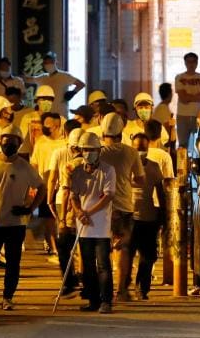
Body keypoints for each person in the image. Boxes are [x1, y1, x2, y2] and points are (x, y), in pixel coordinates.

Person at [0, 127, 46, 311]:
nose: (8, 145)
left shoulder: (25, 167)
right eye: (5, 141)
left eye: (12, 142)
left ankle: (7, 297)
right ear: (0, 142)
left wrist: (29, 208)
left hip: (16, 223)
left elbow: (41, 187)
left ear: (19, 144)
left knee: (13, 262)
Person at [98, 112, 145, 302]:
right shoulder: (130, 152)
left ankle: (103, 291)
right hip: (124, 206)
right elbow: (140, 179)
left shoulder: (98, 153)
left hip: (101, 207)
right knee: (123, 249)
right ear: (122, 130)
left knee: (102, 249)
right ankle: (121, 291)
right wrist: (126, 182)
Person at [69, 132, 117, 313]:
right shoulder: (77, 172)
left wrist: (88, 212)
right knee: (88, 266)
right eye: (85, 149)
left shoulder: (108, 170)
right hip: (84, 226)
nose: (89, 153)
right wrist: (78, 212)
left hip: (101, 226)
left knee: (103, 265)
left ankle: (106, 301)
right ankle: (93, 300)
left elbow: (108, 196)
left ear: (99, 150)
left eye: (92, 149)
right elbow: (73, 196)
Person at [123, 133, 167, 300]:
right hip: (129, 217)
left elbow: (160, 192)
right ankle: (123, 287)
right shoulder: (125, 166)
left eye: (143, 147)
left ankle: (142, 288)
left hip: (149, 217)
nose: (140, 151)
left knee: (148, 256)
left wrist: (163, 213)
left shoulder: (154, 167)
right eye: (137, 148)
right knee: (127, 254)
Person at [49, 123, 84, 298]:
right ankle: (88, 284)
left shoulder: (70, 166)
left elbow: (65, 192)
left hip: (71, 210)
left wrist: (62, 219)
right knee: (88, 248)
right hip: (92, 211)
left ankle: (70, 283)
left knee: (64, 245)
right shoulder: (101, 164)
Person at [31, 112, 67, 260]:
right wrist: (33, 185)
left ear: (56, 126)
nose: (44, 127)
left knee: (63, 218)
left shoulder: (65, 143)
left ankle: (63, 246)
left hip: (63, 186)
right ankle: (53, 248)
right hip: (45, 186)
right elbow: (34, 164)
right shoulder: (40, 142)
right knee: (48, 219)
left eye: (47, 124)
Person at [23, 51, 85, 118]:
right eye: (46, 63)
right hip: (45, 114)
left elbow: (81, 84)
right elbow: (28, 79)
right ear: (44, 65)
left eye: (51, 62)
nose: (49, 65)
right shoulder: (43, 77)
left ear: (55, 62)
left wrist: (73, 92)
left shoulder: (64, 76)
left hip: (60, 114)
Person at [174, 53, 200, 153]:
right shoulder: (179, 77)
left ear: (197, 63)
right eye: (189, 62)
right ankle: (182, 163)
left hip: (199, 115)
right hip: (183, 115)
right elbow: (183, 98)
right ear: (185, 63)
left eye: (193, 61)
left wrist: (189, 96)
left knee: (199, 145)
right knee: (182, 145)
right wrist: (197, 96)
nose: (191, 64)